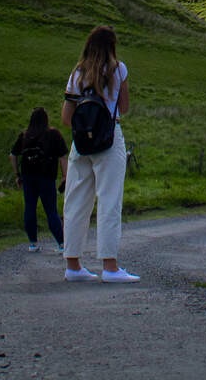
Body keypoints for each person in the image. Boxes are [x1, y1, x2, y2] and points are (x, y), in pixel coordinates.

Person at [60, 24, 137, 282]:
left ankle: (73, 265)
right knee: (109, 201)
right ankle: (110, 266)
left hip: (80, 143)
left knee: (75, 201)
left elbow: (65, 118)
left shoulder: (77, 73)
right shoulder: (119, 70)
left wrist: (86, 128)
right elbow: (123, 108)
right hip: (109, 138)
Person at [8, 106, 67, 253]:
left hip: (28, 176)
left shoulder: (25, 136)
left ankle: (33, 243)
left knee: (30, 208)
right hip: (46, 177)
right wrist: (65, 176)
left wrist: (17, 175)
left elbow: (12, 155)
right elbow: (63, 157)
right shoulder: (53, 134)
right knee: (51, 210)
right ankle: (61, 243)